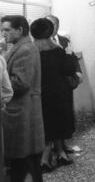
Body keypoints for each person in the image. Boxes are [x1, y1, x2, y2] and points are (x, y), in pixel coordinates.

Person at [1, 15, 45, 182]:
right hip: (24, 111)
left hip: (21, 112)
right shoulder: (21, 47)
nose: (3, 33)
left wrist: (1, 82)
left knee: (23, 163)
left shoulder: (25, 49)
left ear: (20, 30)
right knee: (28, 163)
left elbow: (20, 83)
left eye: (7, 30)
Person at [30, 18, 77, 171]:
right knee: (56, 123)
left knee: (45, 125)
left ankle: (52, 156)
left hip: (38, 93)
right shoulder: (57, 50)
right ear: (50, 31)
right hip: (58, 93)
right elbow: (68, 71)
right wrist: (70, 55)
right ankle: (50, 157)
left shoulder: (31, 50)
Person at [46, 14, 82, 154]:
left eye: (53, 25)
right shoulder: (42, 44)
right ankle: (53, 148)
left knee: (66, 113)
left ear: (57, 27)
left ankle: (63, 144)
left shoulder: (64, 41)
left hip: (66, 83)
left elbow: (73, 58)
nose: (50, 28)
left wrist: (78, 73)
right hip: (52, 84)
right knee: (54, 115)